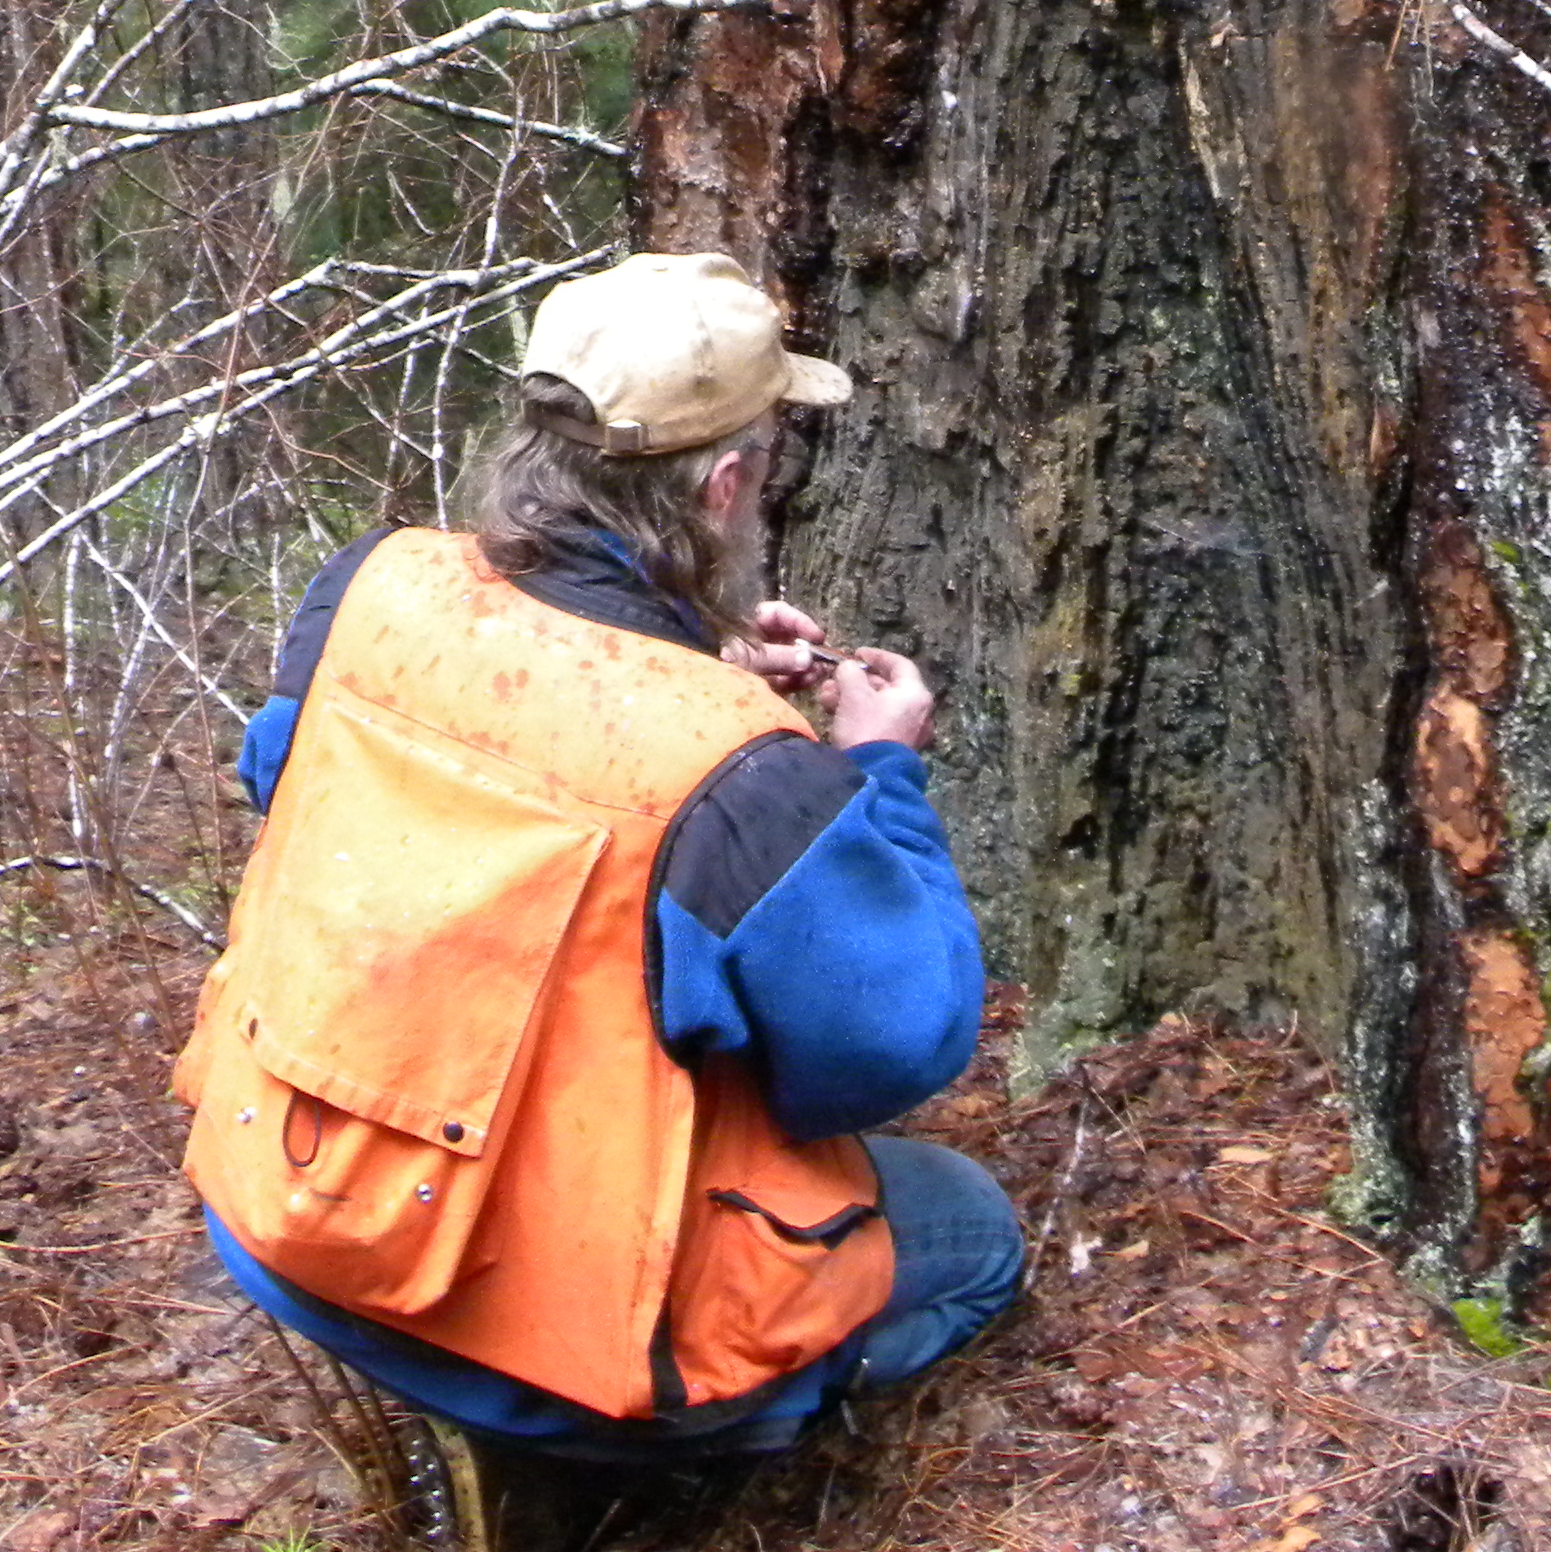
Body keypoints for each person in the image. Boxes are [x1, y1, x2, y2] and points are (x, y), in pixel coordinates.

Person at [171, 251, 1021, 1472]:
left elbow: (287, 778)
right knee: (971, 1232)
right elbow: (896, 1045)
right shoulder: (743, 776)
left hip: (282, 1228)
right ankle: (664, 1458)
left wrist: (692, 658)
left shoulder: (370, 587)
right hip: (558, 1352)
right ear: (725, 484)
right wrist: (875, 772)